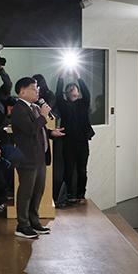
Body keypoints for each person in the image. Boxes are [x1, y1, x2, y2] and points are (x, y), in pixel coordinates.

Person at [12, 77, 65, 238]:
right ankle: (22, 225)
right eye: (34, 89)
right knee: (26, 192)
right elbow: (30, 130)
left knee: (37, 192)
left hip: (40, 157)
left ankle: (34, 221)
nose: (37, 92)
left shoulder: (34, 107)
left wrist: (50, 133)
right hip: (27, 158)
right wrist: (43, 116)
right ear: (22, 92)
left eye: (38, 89)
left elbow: (39, 130)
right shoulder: (18, 109)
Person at [55, 70, 95, 206]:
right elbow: (58, 95)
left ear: (78, 93)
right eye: (70, 89)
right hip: (68, 143)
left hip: (82, 142)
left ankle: (80, 194)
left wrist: (79, 78)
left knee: (82, 170)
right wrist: (61, 77)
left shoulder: (83, 103)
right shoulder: (64, 105)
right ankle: (68, 195)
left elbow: (87, 94)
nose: (73, 91)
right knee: (68, 169)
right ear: (67, 93)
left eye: (75, 89)